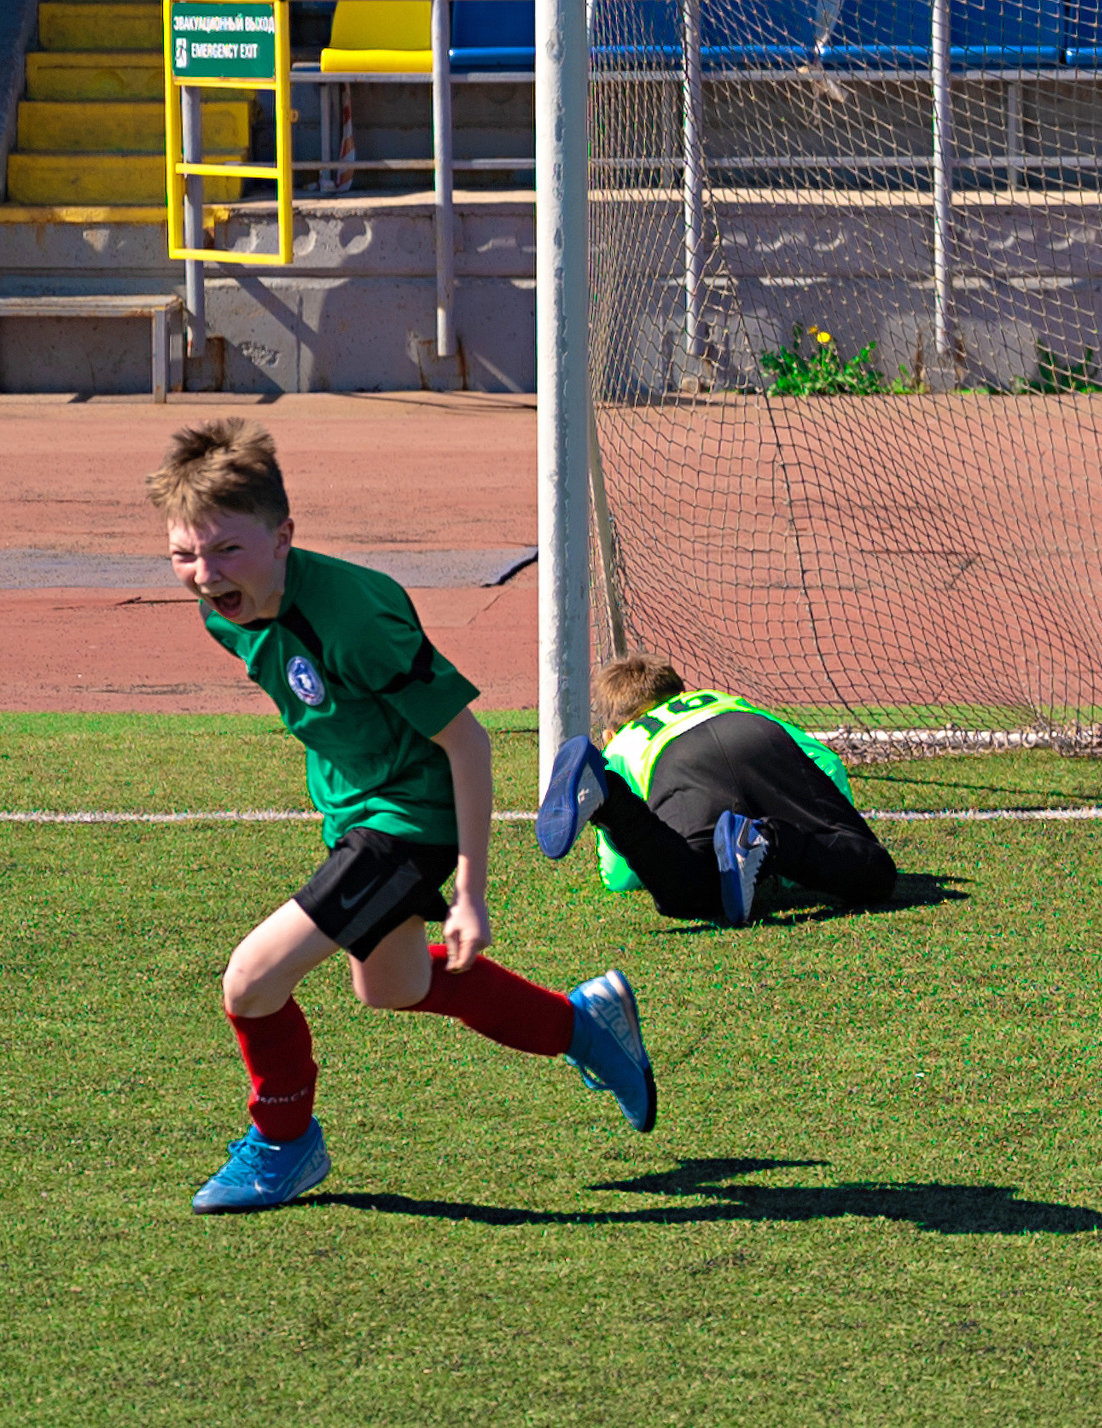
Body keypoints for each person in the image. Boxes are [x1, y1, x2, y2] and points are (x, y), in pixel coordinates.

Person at [151, 419, 659, 1216]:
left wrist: (471, 892)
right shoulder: (225, 609)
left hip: (414, 817)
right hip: (358, 809)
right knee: (395, 985)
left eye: (224, 550)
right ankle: (587, 1023)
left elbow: (468, 743)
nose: (203, 574)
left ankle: (285, 1147)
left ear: (284, 536)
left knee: (251, 981)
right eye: (185, 554)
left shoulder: (358, 617)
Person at [536, 655, 899, 929]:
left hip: (675, 762)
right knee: (872, 872)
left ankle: (611, 800)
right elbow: (828, 763)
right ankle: (767, 841)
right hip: (753, 733)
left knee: (691, 893)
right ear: (684, 694)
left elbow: (621, 877)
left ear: (609, 734)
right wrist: (824, 833)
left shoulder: (622, 745)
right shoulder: (725, 700)